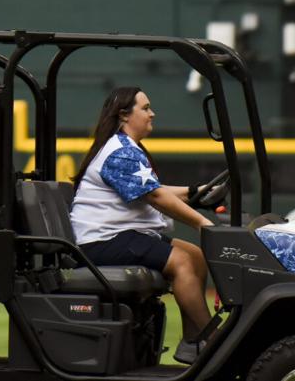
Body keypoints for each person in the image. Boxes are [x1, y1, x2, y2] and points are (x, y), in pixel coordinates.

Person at [69, 86, 220, 365]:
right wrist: (201, 222)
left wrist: (195, 191)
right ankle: (213, 341)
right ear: (124, 115)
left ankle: (191, 343)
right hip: (101, 241)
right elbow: (155, 196)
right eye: (146, 108)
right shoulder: (120, 152)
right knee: (183, 263)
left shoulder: (126, 148)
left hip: (122, 236)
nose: (153, 113)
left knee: (197, 257)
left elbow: (153, 189)